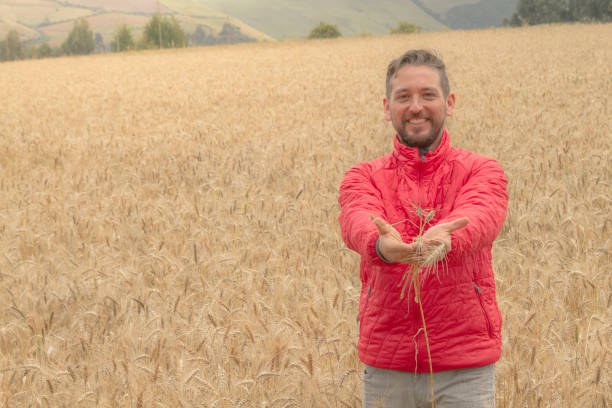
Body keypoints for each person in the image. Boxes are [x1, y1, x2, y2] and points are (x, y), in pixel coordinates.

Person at [338, 49, 508, 407]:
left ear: (449, 101)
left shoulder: (482, 170)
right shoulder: (363, 176)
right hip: (388, 366)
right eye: (404, 97)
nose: (416, 106)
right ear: (387, 108)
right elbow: (357, 218)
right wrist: (381, 245)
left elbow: (481, 214)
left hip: (465, 368)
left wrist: (447, 238)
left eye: (428, 95)